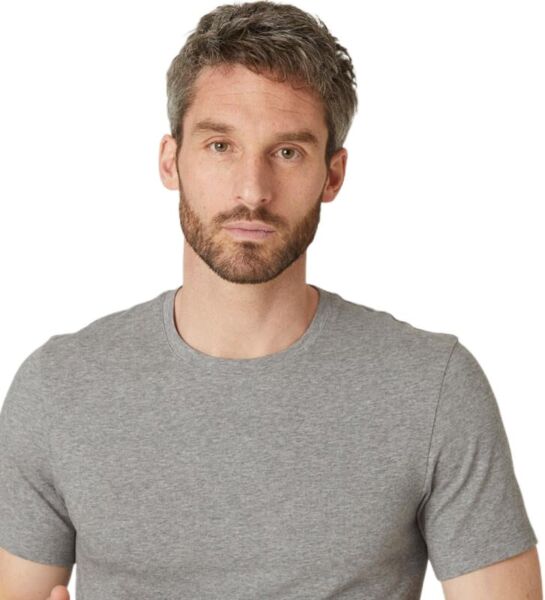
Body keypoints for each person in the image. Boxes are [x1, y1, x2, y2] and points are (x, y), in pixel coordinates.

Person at [0, 2, 541, 599]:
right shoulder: (58, 388)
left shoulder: (432, 387)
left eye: (287, 152)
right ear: (170, 161)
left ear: (332, 175)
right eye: (220, 146)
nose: (252, 190)